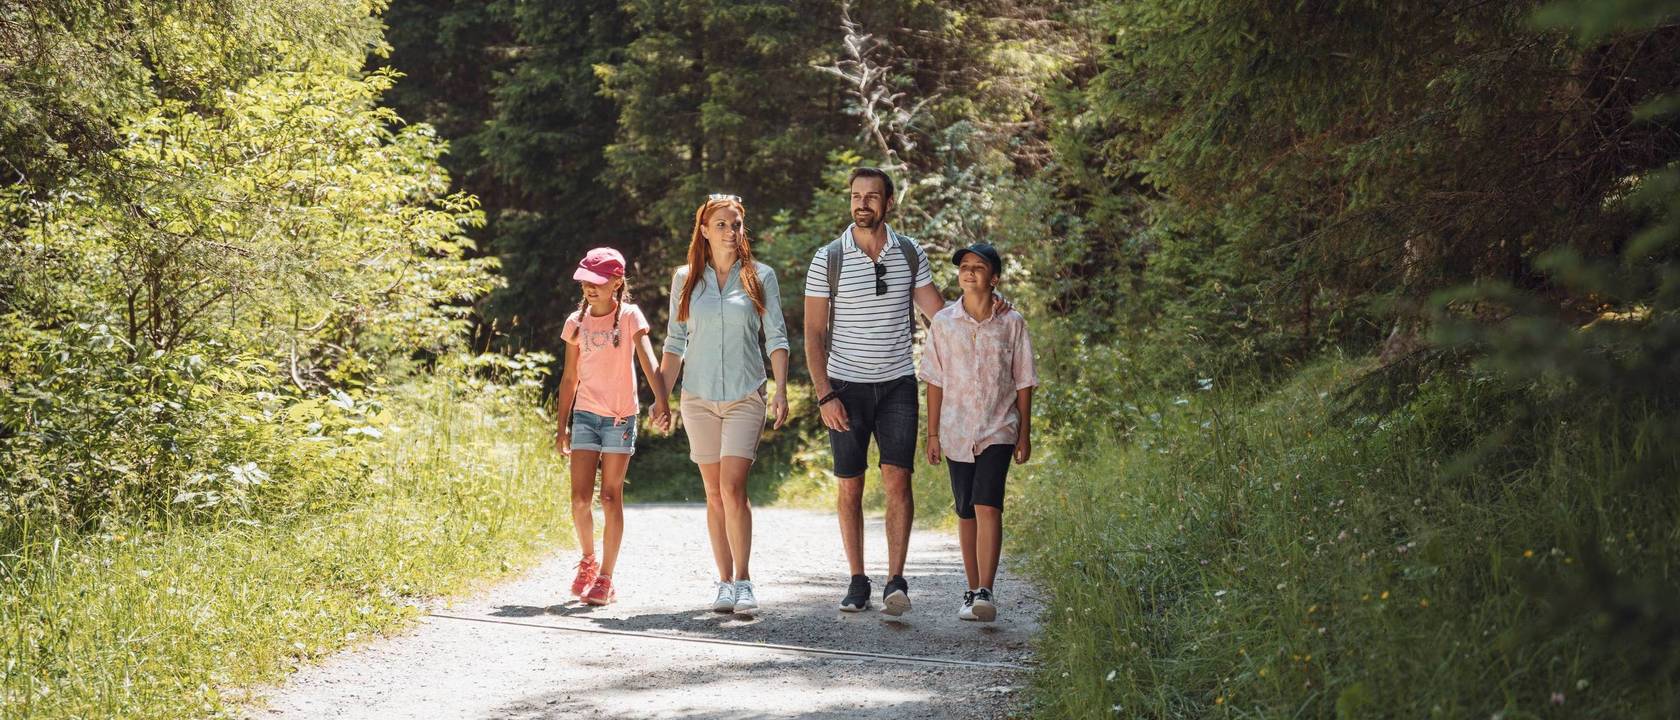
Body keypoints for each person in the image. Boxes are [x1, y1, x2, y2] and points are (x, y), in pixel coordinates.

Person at [803, 167, 1003, 616]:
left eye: (872, 197)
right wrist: (824, 394)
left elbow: (942, 317)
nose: (862, 204)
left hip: (897, 383)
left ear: (888, 202)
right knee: (849, 486)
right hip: (844, 387)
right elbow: (813, 334)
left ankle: (896, 580)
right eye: (856, 196)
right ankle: (857, 580)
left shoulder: (910, 254)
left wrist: (990, 305)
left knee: (898, 480)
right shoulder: (827, 259)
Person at [658, 194, 790, 616]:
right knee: (713, 493)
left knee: (733, 489)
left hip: (744, 395)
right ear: (704, 230)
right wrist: (662, 398)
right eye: (721, 225)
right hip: (697, 397)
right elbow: (675, 342)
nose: (730, 232)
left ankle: (744, 579)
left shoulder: (759, 276)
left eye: (736, 225)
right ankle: (724, 582)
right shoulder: (685, 279)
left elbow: (777, 337)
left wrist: (781, 389)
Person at [921, 242, 1037, 622]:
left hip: (999, 426)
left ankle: (987, 589)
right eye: (964, 267)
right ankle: (971, 591)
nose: (969, 272)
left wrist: (1024, 432)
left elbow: (1024, 380)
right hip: (955, 429)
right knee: (966, 509)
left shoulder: (1012, 322)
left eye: (978, 267)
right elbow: (934, 380)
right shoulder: (943, 322)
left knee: (989, 502)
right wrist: (933, 433)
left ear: (994, 278)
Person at [555, 247, 671, 606]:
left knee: (609, 496)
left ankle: (606, 577)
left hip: (621, 417)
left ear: (617, 283)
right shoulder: (576, 322)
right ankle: (588, 561)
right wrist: (563, 426)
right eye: (586, 280)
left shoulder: (630, 317)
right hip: (586, 417)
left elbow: (649, 360)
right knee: (578, 500)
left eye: (598, 281)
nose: (590, 287)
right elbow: (569, 377)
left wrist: (662, 400)